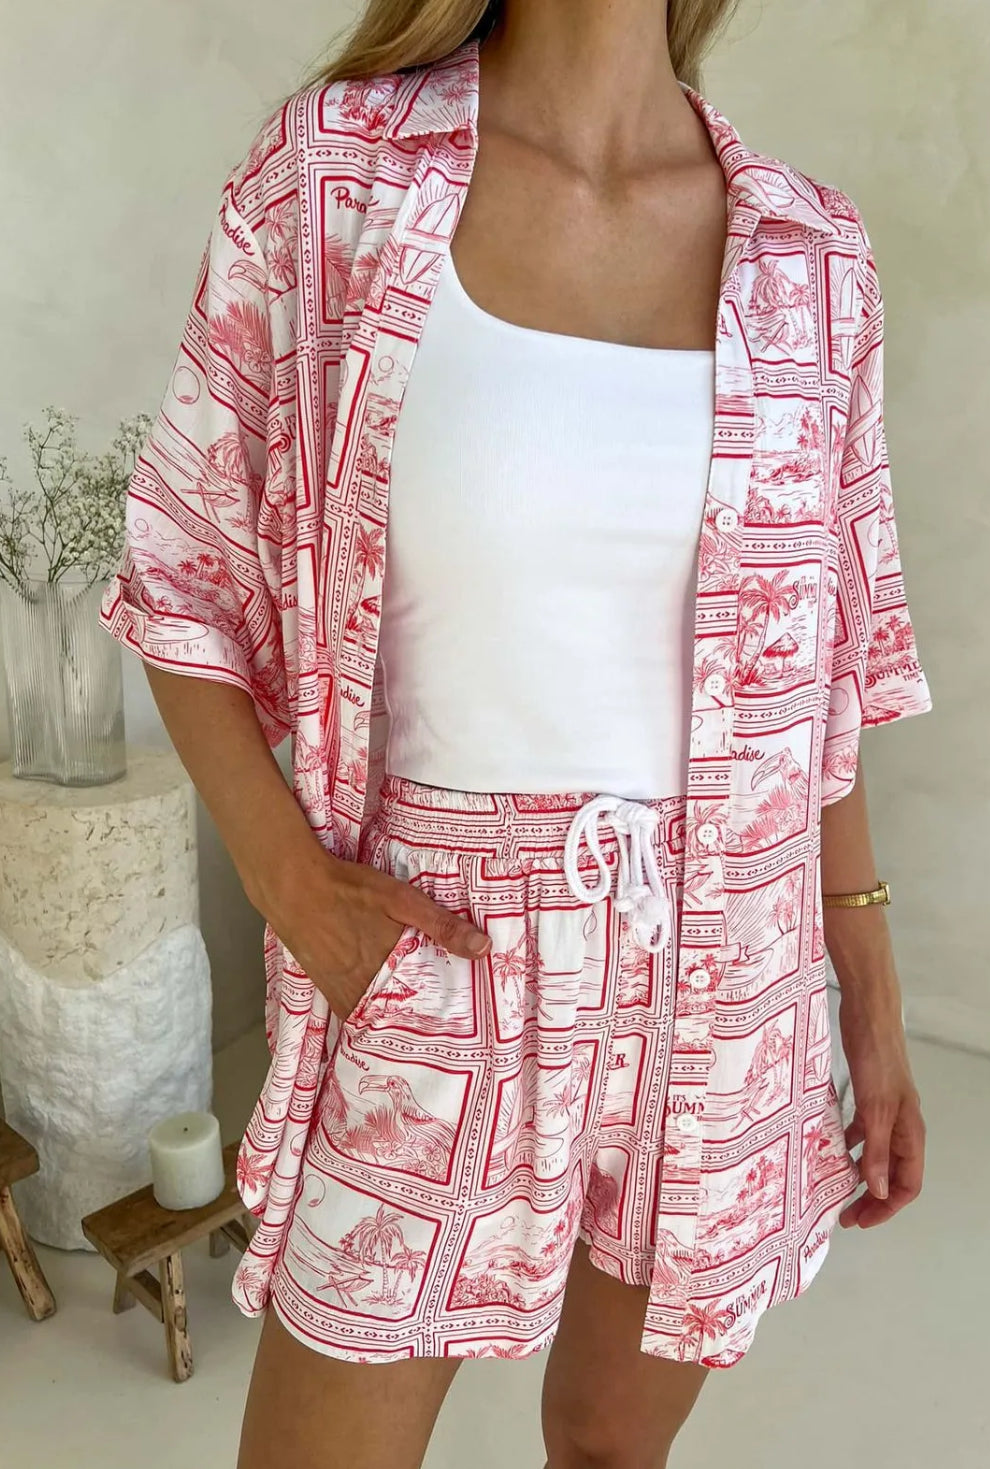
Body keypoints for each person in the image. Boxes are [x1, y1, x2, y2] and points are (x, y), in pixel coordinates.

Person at [99, 2, 933, 1466]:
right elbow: (180, 567)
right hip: (444, 957)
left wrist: (861, 964)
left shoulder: (814, 256)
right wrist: (295, 889)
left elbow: (835, 664)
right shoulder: (333, 184)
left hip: (726, 982)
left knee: (612, 1445)